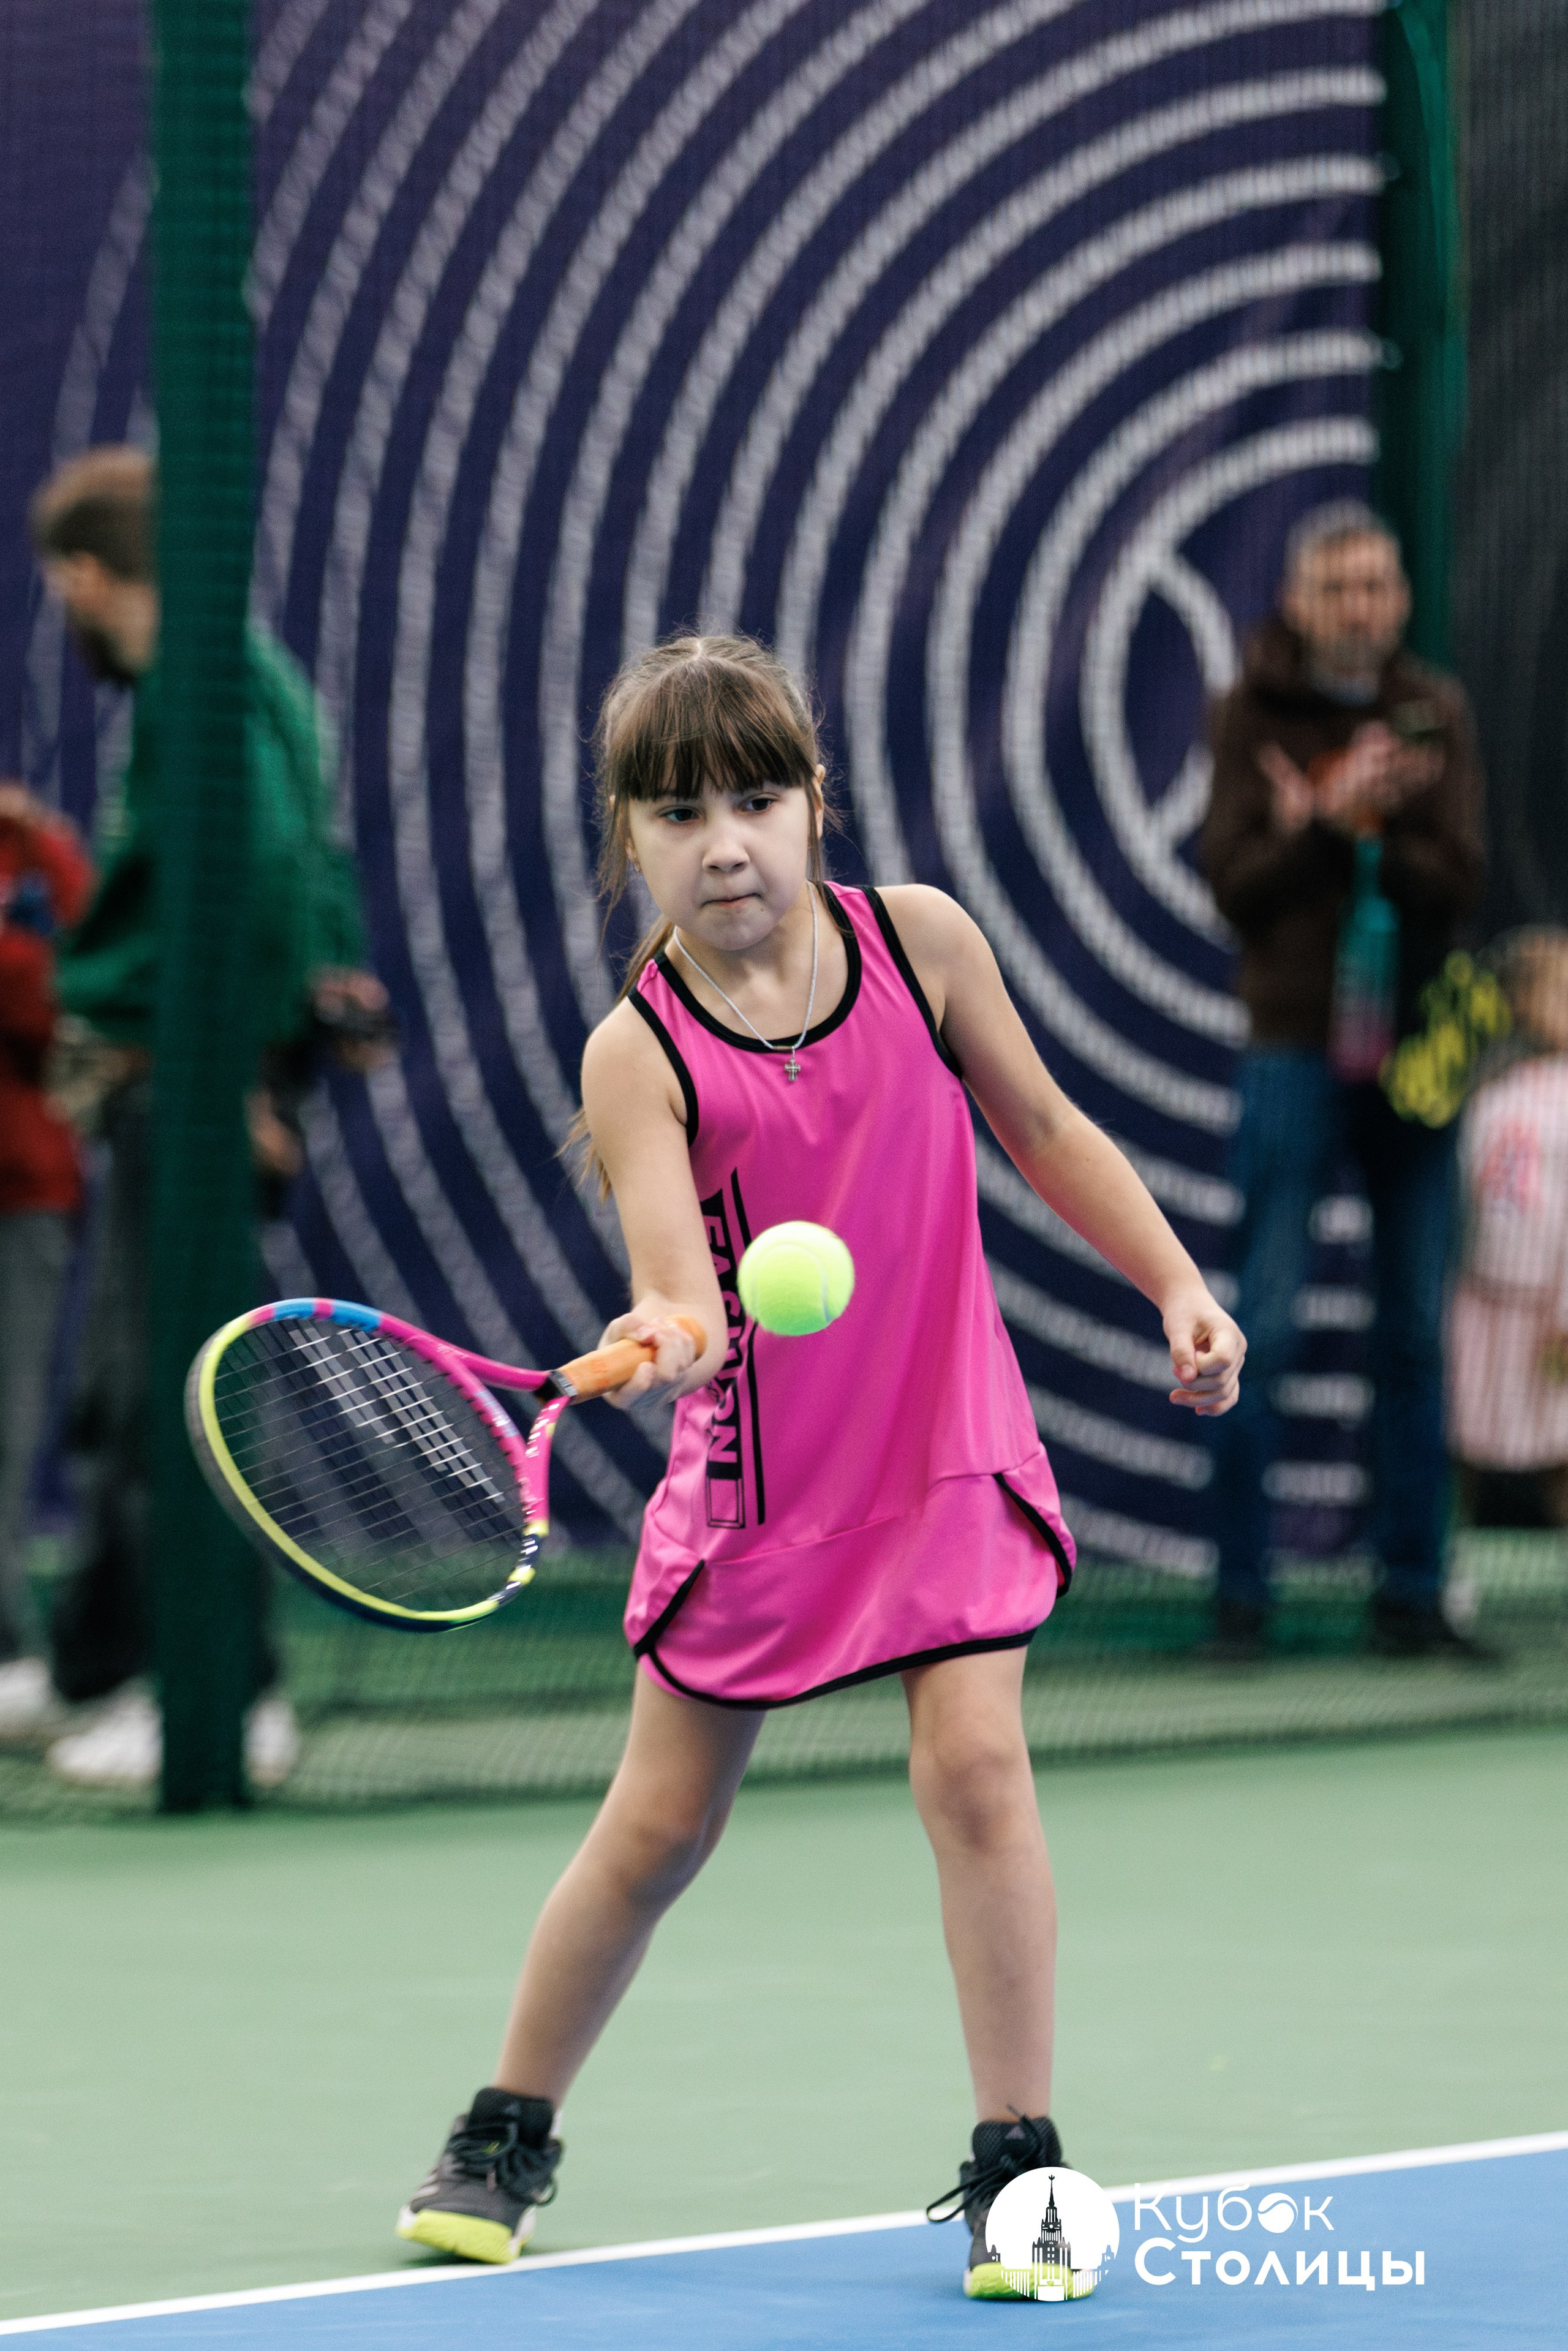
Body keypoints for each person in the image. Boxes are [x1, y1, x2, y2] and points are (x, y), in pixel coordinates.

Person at [394, 635, 1246, 2298]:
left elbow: (1050, 1127)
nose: (728, 841)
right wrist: (674, 1333)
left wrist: (1175, 1279)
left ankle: (1021, 2166)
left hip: (948, 1442)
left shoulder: (919, 943)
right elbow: (677, 1286)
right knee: (655, 1831)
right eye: (680, 808)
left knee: (980, 1775)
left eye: (760, 797)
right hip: (767, 1485)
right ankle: (507, 2122)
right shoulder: (634, 1049)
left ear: (816, 804)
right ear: (626, 839)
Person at [17, 445, 390, 1789]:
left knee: (193, 1393)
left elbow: (274, 867)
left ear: (81, 574)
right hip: (183, 1085)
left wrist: (236, 1076)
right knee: (130, 1388)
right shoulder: (235, 672)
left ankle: (230, 1695)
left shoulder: (202, 682)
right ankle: (98, 1665)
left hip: (196, 1091)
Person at [1200, 500, 1488, 1661]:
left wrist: (1376, 812)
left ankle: (1412, 1596)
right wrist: (1325, 821)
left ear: (1402, 598)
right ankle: (1240, 1601)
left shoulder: (1441, 711)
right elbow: (1234, 879)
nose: (1360, 606)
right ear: (1300, 600)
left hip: (1415, 1060)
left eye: (1377, 585)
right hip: (1293, 1051)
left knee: (1415, 1330)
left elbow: (1460, 875)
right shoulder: (1247, 713)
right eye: (1338, 588)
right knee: (1254, 1319)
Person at [0, 783, 94, 1739]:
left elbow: (79, 987)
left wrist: (44, 843)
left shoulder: (30, 852)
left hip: (21, 1199)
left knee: (6, 1429)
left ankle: (7, 1648)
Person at [1447, 930, 1568, 1526]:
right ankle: (1442, 1571)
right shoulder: (1488, 1086)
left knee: (1558, 1443)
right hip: (1481, 1292)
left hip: (1547, 1305)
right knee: (1459, 1433)